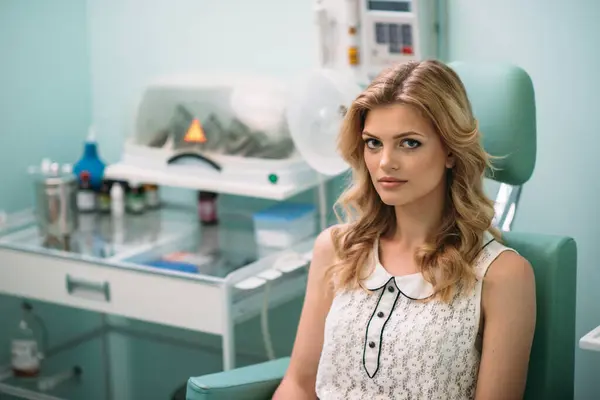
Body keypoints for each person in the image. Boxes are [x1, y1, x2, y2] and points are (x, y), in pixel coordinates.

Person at [272, 60, 536, 400]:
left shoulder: (503, 275)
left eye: (409, 143)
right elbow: (298, 384)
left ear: (451, 152)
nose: (385, 162)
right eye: (373, 143)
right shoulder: (337, 250)